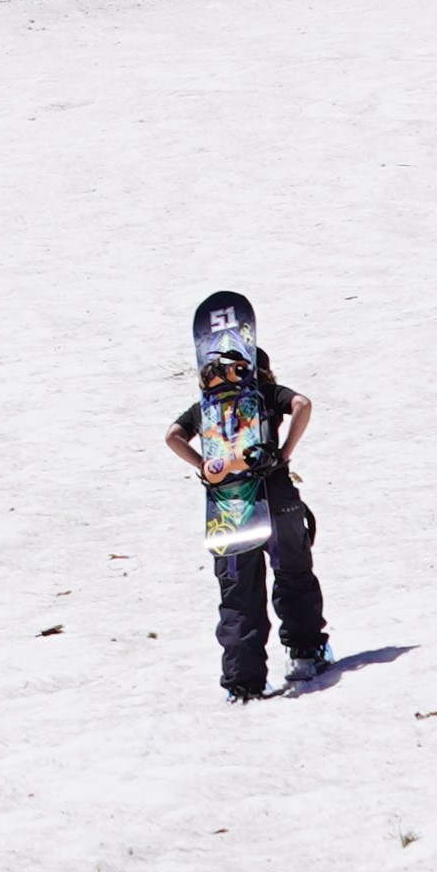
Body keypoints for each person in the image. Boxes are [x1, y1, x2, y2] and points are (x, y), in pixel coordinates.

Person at [168, 288, 331, 702]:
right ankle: (307, 653)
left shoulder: (205, 408)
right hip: (277, 493)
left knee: (239, 594)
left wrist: (203, 467)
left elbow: (171, 437)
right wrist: (286, 452)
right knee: (293, 575)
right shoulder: (266, 394)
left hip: (230, 505)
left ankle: (243, 683)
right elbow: (303, 403)